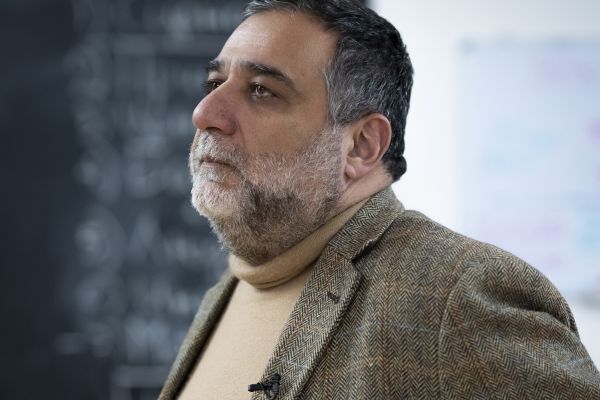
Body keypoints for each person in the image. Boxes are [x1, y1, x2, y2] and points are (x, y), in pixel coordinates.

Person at [160, 0, 600, 399]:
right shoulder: (228, 292)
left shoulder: (458, 296)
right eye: (215, 82)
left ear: (362, 145)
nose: (204, 113)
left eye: (262, 89)